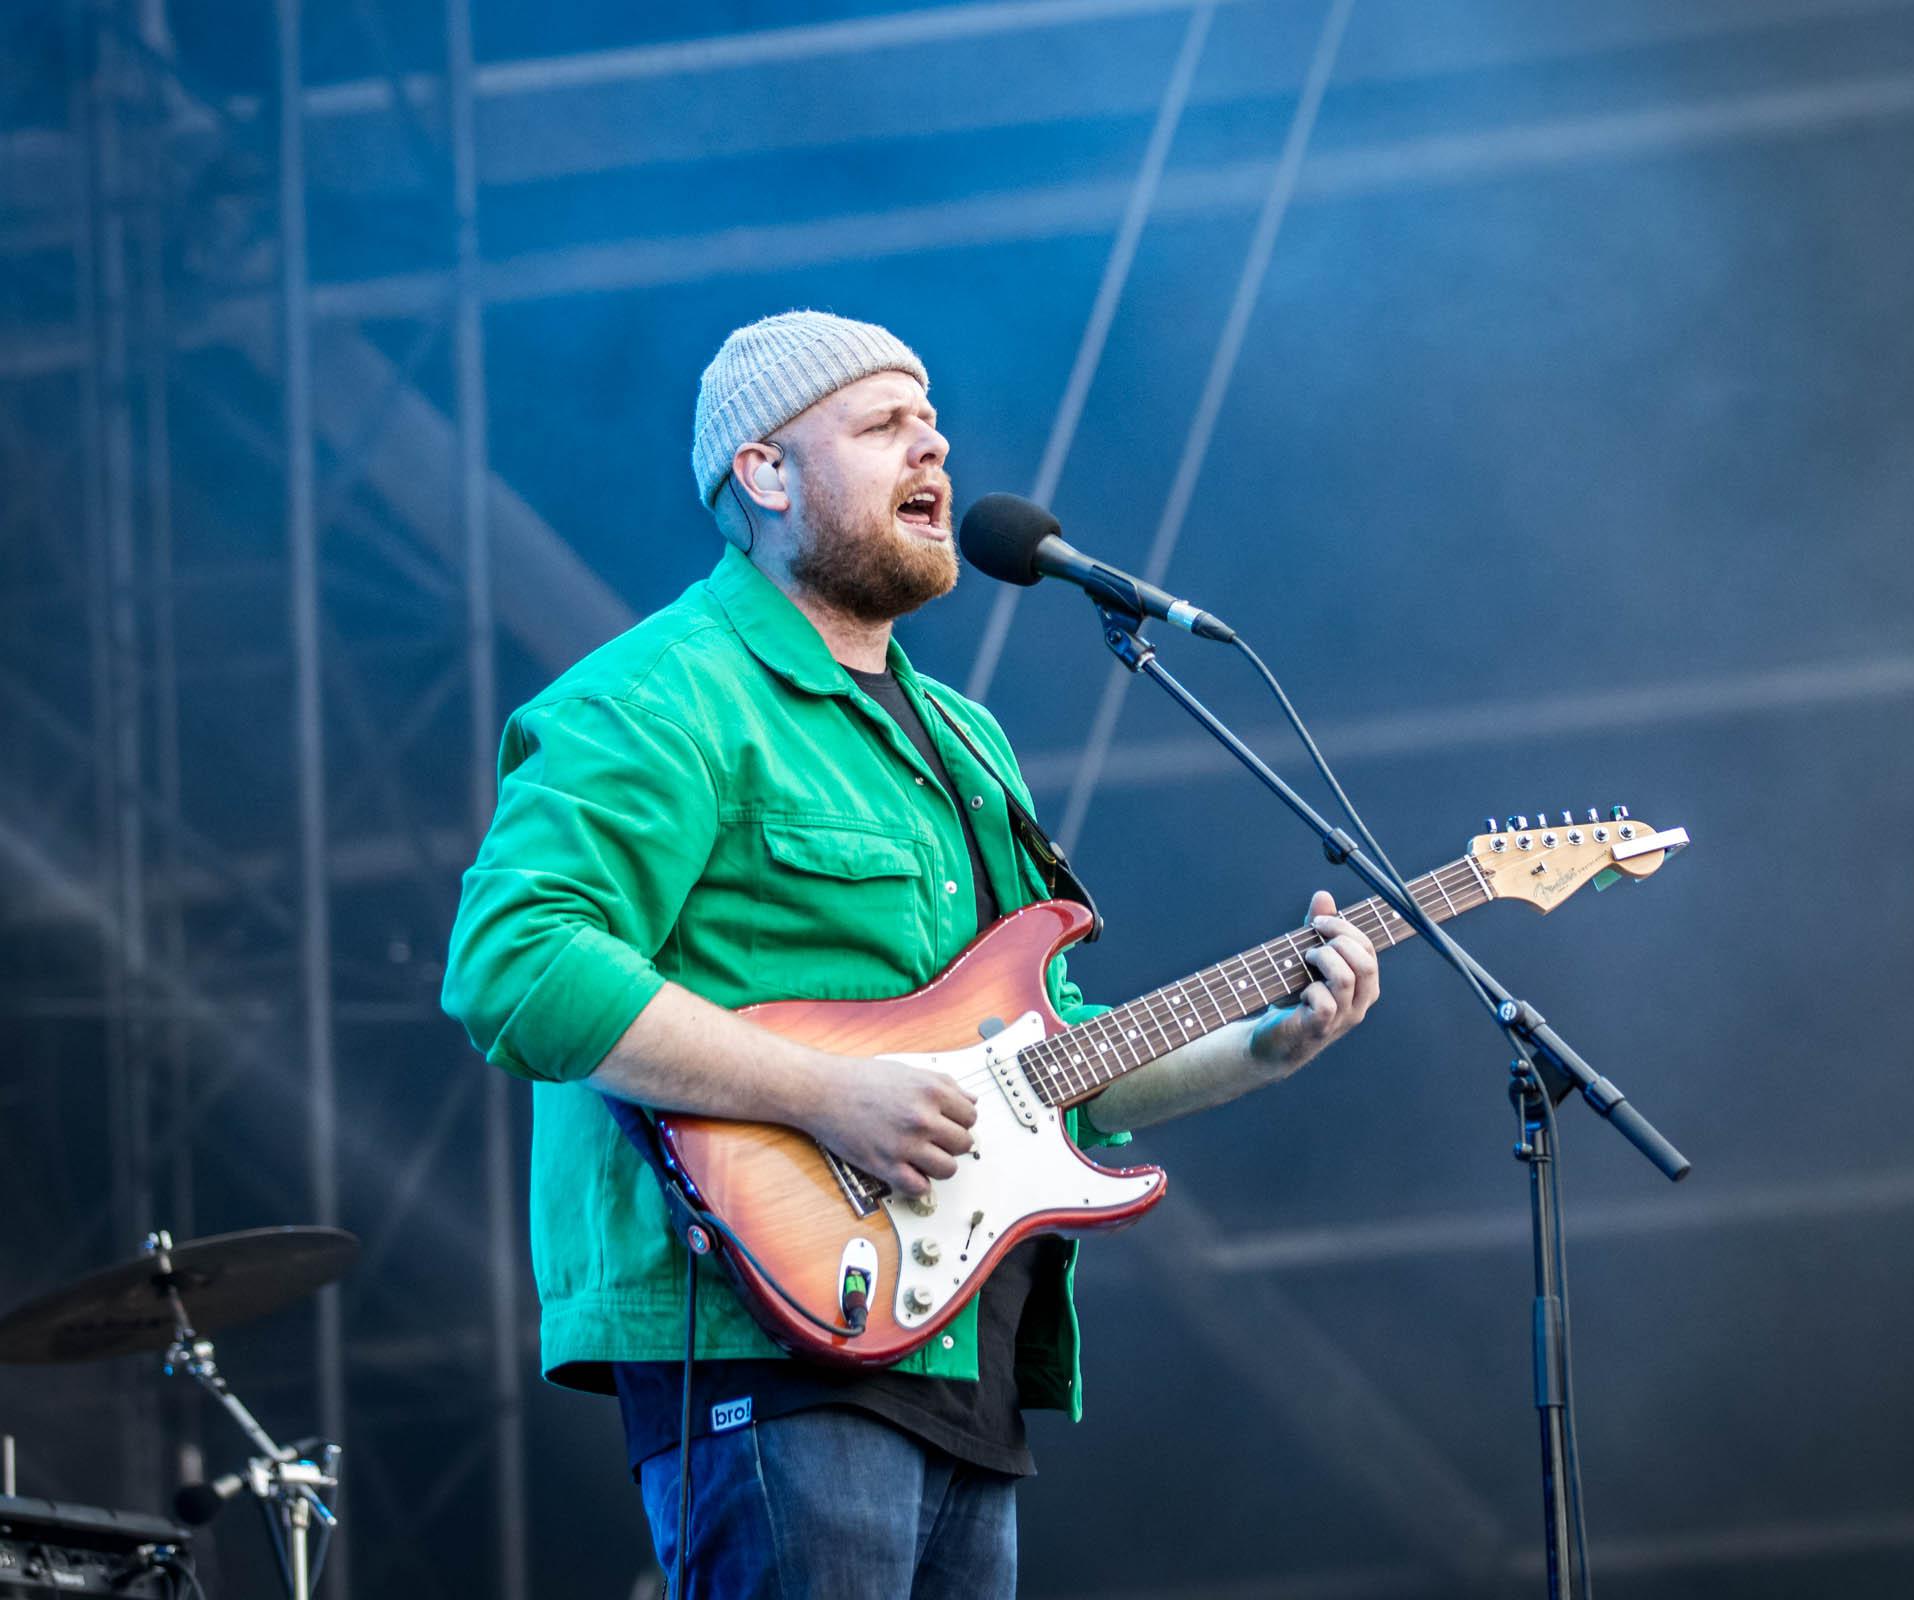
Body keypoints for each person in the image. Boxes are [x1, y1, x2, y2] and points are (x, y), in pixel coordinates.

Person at [440, 309, 1382, 1598]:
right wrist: (829, 1094)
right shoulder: (660, 693)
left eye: (931, 421)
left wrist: (1265, 1048)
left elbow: (1044, 1068)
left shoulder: (967, 740)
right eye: (883, 425)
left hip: (956, 1343)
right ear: (765, 474)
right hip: (763, 1329)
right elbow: (517, 964)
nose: (931, 448)